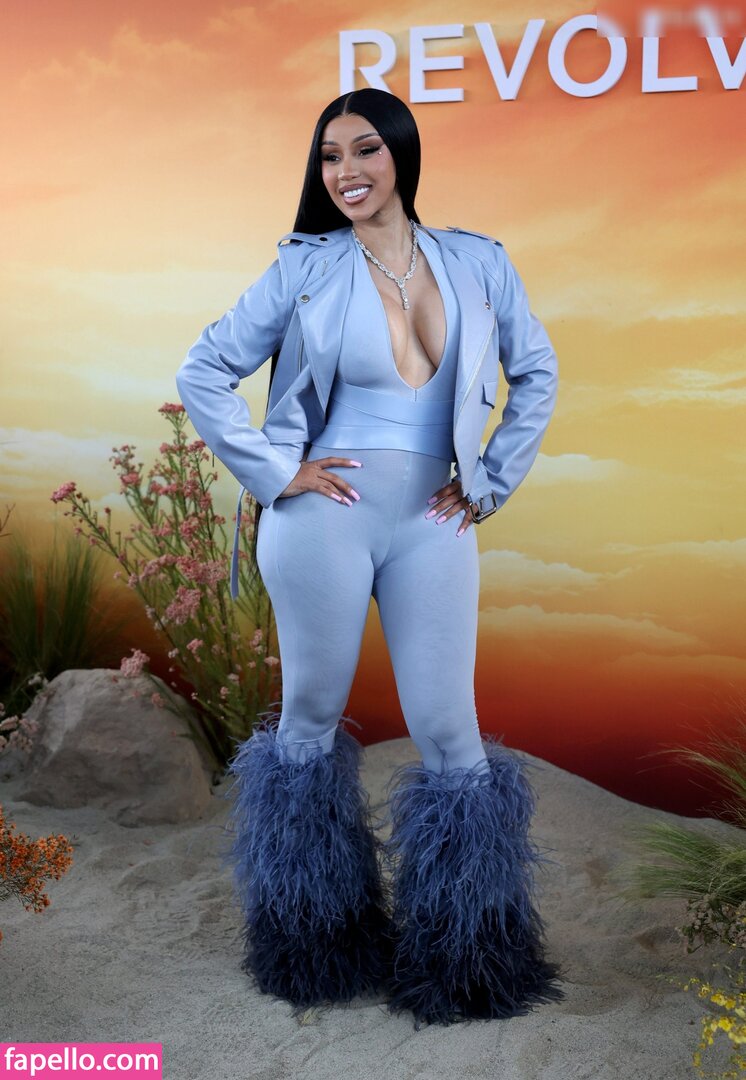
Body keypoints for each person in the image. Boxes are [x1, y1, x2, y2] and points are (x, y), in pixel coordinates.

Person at [175, 87, 566, 1028]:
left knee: (450, 728)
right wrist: (279, 474)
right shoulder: (305, 266)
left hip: (434, 519)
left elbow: (538, 371)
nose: (345, 172)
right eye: (328, 156)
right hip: (326, 521)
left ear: (402, 154)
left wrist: (489, 483)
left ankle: (469, 958)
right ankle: (312, 943)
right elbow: (204, 370)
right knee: (310, 716)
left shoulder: (478, 260)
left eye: (363, 150)